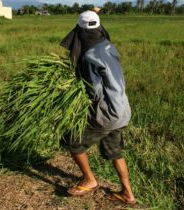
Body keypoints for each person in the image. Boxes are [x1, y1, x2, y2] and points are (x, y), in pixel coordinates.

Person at [60, 10, 136, 205]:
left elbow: (94, 92)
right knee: (115, 151)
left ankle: (90, 180)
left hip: (107, 113)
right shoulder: (108, 45)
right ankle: (128, 194)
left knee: (72, 141)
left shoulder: (88, 56)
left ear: (80, 31)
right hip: (122, 108)